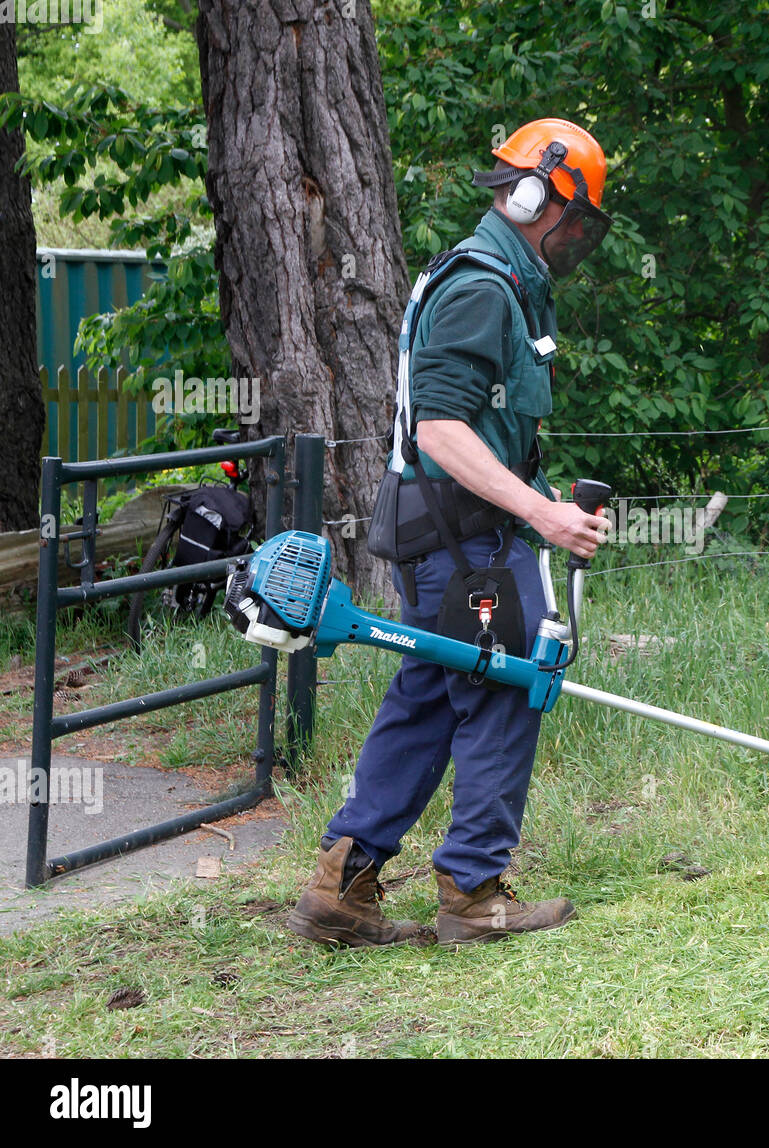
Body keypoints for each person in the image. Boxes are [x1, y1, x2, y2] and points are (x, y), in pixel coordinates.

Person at [287, 118, 612, 948]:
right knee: (506, 691)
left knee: (429, 698)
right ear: (540, 197)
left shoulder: (501, 278)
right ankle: (473, 892)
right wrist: (543, 515)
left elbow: (484, 434)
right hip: (467, 545)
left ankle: (344, 884)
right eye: (577, 217)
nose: (578, 237)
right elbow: (440, 430)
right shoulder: (481, 287)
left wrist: (541, 500)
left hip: (458, 535)